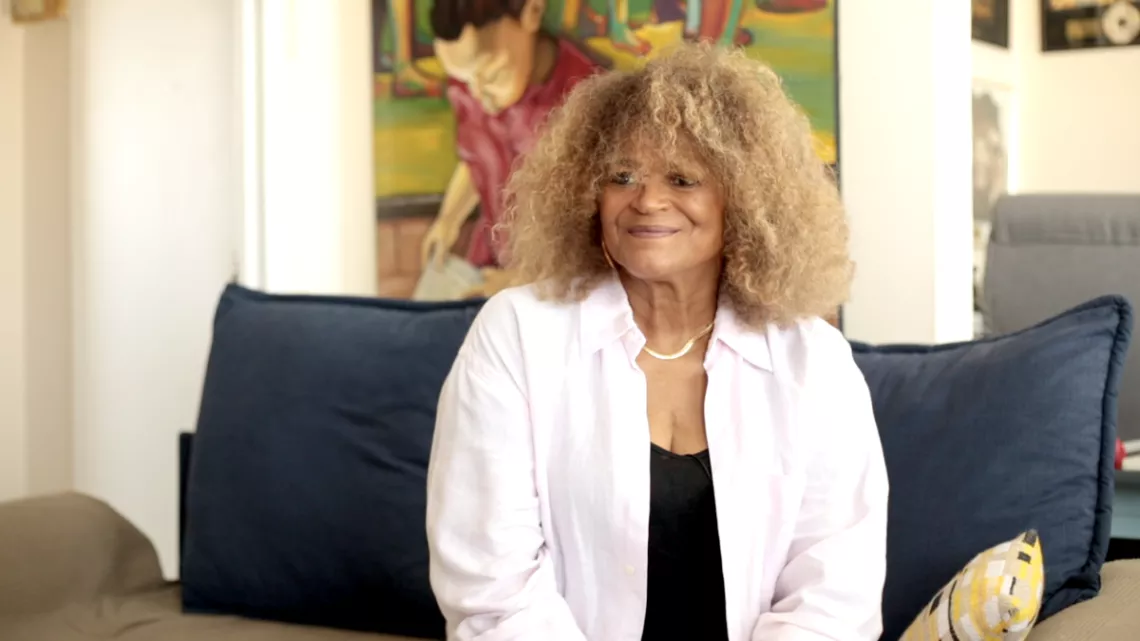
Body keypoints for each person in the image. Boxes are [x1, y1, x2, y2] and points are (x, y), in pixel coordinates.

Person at [426, 43, 888, 641]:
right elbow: (491, 589)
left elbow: (835, 593)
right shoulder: (516, 333)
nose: (646, 200)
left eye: (682, 178)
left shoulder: (815, 361)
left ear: (744, 199)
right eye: (622, 176)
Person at [420, 0, 601, 297]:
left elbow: (594, 233)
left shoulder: (587, 103)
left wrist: (521, 280)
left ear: (533, 12)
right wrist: (448, 220)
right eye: (465, 81)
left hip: (555, 285)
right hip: (490, 262)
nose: (478, 97)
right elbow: (478, 159)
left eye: (492, 75)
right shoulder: (475, 86)